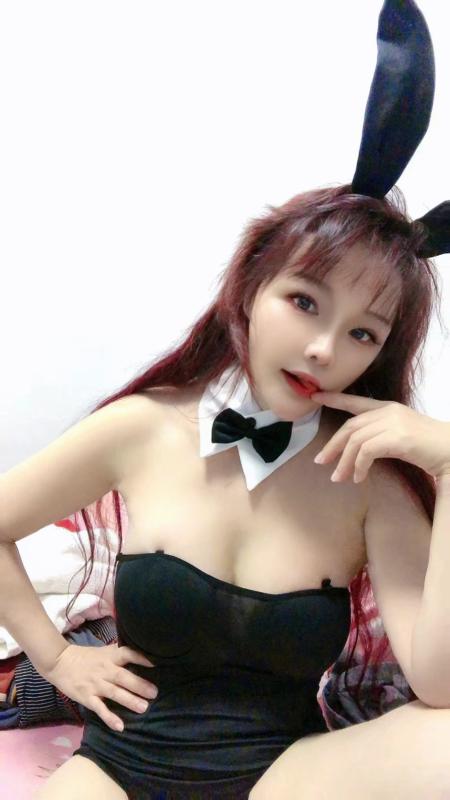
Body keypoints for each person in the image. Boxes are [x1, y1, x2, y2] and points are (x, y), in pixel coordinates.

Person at [2, 1, 450, 798]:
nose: (324, 349)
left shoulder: (368, 479)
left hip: (282, 773)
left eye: (363, 333)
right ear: (249, 290)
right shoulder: (142, 429)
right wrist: (58, 656)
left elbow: (438, 684)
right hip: (125, 762)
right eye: (305, 303)